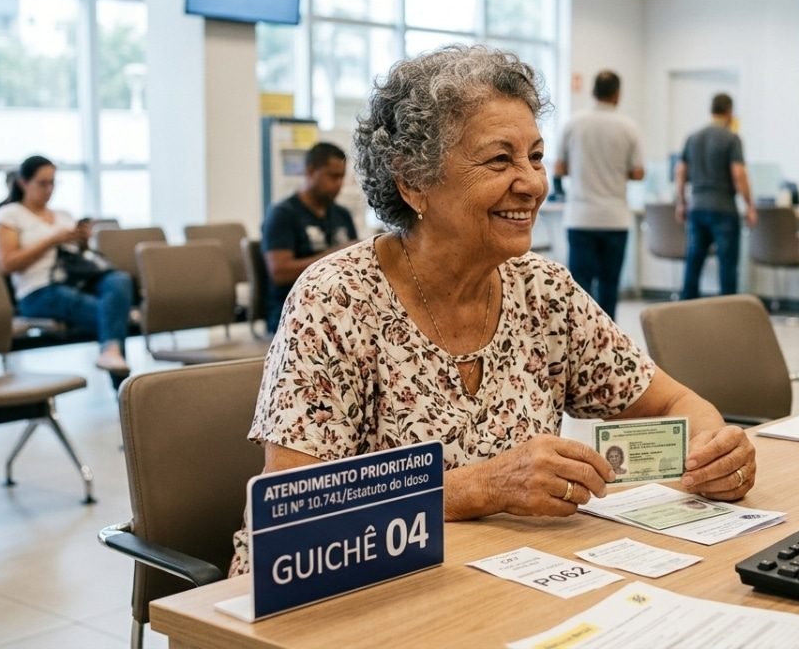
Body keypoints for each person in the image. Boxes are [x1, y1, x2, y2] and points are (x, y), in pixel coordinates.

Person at [230, 45, 756, 574]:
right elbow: (296, 511)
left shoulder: (543, 291)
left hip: (499, 580)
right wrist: (483, 486)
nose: (533, 183)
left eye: (535, 156)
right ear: (412, 181)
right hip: (340, 592)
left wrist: (714, 451)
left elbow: (675, 404)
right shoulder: (337, 300)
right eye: (500, 160)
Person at [0, 156, 133, 373]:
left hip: (77, 281)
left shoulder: (63, 215)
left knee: (119, 279)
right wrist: (51, 241)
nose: (49, 189)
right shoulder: (9, 215)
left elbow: (81, 258)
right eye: (42, 183)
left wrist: (82, 241)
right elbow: (6, 265)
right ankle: (120, 374)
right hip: (38, 290)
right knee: (113, 313)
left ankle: (112, 354)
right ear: (23, 183)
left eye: (53, 183)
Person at [554, 70, 644, 319]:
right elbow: (638, 173)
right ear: (617, 94)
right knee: (609, 286)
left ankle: (579, 335)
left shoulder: (572, 123)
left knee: (580, 288)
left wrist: (583, 168)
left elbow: (559, 168)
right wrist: (615, 170)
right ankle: (608, 337)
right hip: (615, 219)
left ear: (592, 91)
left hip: (580, 217)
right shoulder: (628, 127)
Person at [261, 141, 359, 334]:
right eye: (333, 176)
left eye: (342, 177)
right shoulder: (283, 214)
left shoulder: (342, 215)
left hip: (337, 309)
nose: (339, 184)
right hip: (293, 312)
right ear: (311, 171)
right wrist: (333, 257)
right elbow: (279, 272)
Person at [675, 93, 755, 299]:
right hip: (724, 209)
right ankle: (727, 311)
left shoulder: (693, 137)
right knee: (727, 266)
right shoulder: (731, 138)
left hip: (697, 208)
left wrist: (681, 203)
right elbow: (739, 174)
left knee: (693, 263)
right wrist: (749, 205)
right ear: (729, 111)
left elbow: (680, 172)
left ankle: (685, 308)